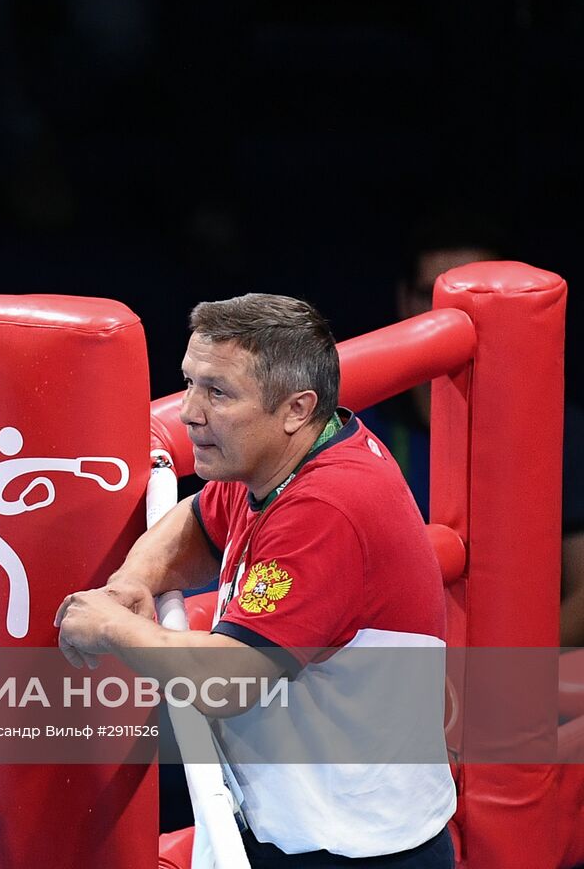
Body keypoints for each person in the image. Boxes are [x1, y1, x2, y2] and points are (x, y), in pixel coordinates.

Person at [55, 294, 456, 866]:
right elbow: (198, 521)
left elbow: (227, 682)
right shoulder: (283, 459)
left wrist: (111, 628)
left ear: (296, 408)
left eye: (217, 393)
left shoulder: (328, 507)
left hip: (356, 849)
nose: (190, 411)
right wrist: (131, 582)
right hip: (293, 819)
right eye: (189, 383)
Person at [360, 208, 584, 646]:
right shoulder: (353, 430)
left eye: (478, 303)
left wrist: (502, 680)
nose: (453, 317)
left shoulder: (566, 433)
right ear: (405, 302)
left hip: (520, 685)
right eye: (433, 295)